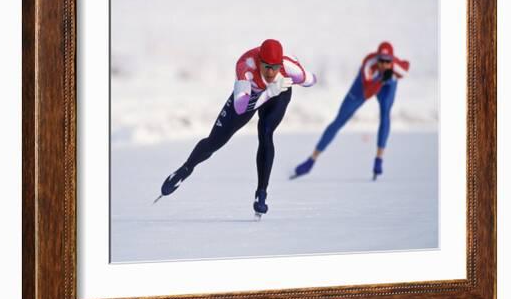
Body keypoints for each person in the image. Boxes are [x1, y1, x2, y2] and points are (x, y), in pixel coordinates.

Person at [156, 39, 316, 217]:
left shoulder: (289, 66)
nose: (271, 72)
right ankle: (184, 170)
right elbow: (241, 107)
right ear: (259, 62)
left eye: (275, 67)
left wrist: (303, 79)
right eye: (266, 66)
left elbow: (310, 79)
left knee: (265, 133)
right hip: (250, 96)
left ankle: (261, 194)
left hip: (279, 94)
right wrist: (268, 92)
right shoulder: (246, 66)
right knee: (215, 142)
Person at [292, 41, 409, 180]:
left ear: (392, 60)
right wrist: (380, 79)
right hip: (365, 86)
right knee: (339, 121)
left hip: (387, 86)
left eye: (387, 61)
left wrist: (390, 79)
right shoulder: (368, 65)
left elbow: (406, 66)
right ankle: (311, 159)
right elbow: (368, 92)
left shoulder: (397, 67)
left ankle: (379, 158)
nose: (383, 65)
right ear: (376, 59)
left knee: (385, 113)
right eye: (381, 61)